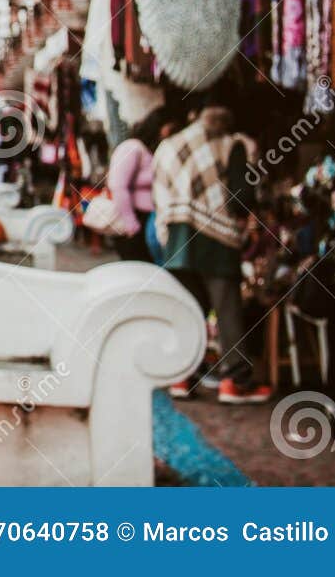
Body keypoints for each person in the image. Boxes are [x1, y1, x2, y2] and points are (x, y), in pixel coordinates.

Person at [151, 104, 271, 404]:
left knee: (190, 307)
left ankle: (182, 374)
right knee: (226, 307)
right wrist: (247, 222)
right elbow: (241, 197)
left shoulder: (170, 145)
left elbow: (159, 187)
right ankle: (234, 382)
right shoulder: (233, 146)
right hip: (216, 236)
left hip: (177, 234)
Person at [105, 110, 167, 262]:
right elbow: (118, 186)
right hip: (135, 221)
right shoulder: (132, 147)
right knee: (138, 269)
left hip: (146, 220)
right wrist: (131, 223)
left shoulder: (149, 150)